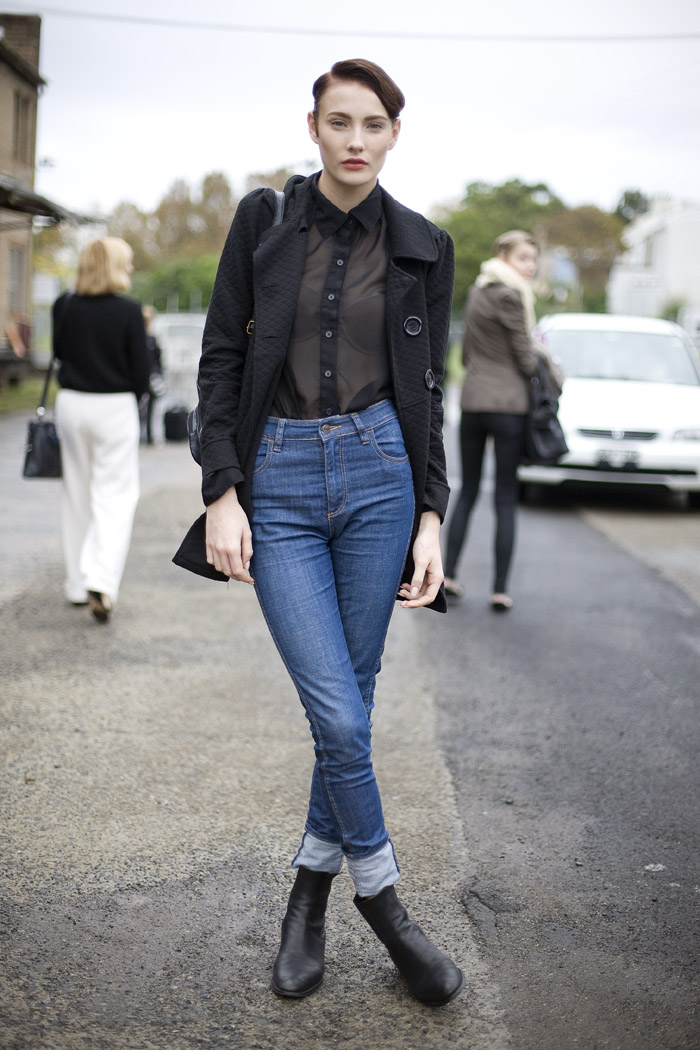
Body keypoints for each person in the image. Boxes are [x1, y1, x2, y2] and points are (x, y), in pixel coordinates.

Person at [181, 59, 463, 1006]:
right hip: (284, 484)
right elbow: (221, 354)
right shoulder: (264, 224)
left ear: (393, 134)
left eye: (372, 124)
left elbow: (429, 390)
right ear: (312, 127)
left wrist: (432, 512)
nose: (354, 139)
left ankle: (307, 896)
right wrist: (223, 489)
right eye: (338, 121)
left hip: (383, 475)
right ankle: (386, 907)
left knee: (353, 698)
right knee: (339, 713)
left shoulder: (425, 246)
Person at [443, 230, 546, 611]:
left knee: (467, 492)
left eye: (533, 259)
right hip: (509, 405)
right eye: (523, 258)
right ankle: (500, 589)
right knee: (504, 496)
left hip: (474, 401)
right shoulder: (512, 294)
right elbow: (524, 356)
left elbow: (467, 352)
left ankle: (449, 574)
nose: (529, 266)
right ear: (502, 255)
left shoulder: (478, 291)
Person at [54, 237, 151, 623]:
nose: (129, 269)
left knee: (76, 493)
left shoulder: (64, 304)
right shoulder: (129, 312)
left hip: (71, 403)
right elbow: (142, 372)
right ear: (113, 266)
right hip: (114, 405)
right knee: (114, 494)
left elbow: (59, 353)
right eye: (125, 262)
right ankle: (102, 581)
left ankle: (77, 584)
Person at [141, 305, 165, 445]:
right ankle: (142, 435)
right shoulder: (141, 338)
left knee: (151, 408)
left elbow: (158, 359)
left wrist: (159, 375)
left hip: (152, 377)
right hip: (140, 377)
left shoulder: (152, 339)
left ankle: (149, 435)